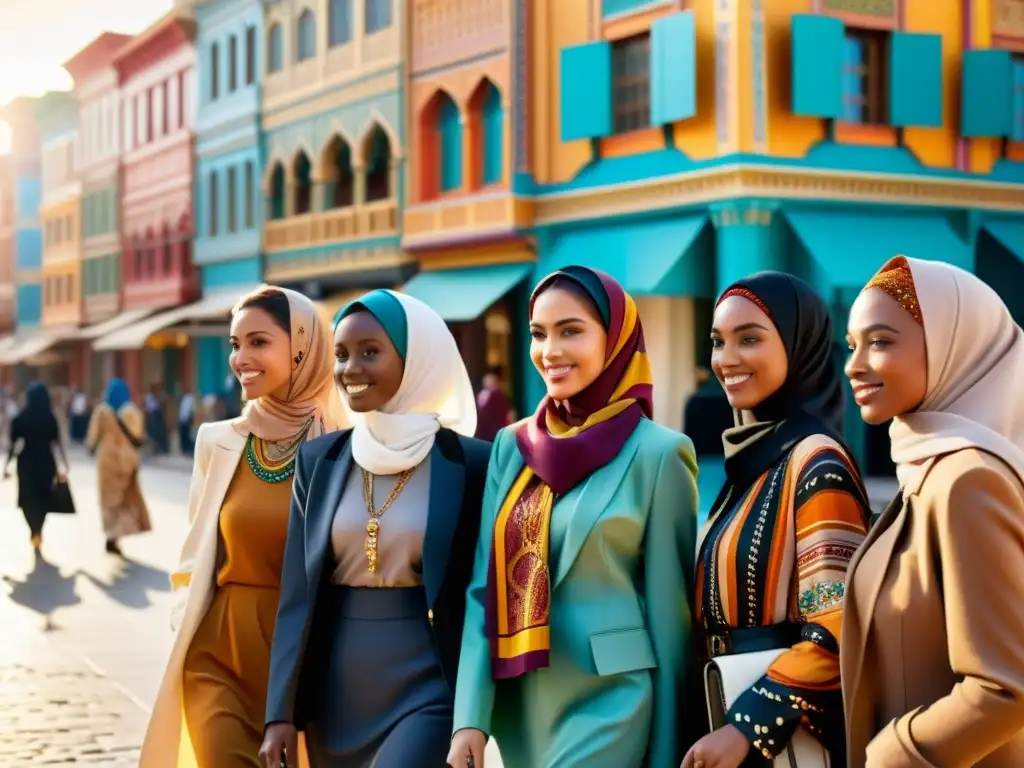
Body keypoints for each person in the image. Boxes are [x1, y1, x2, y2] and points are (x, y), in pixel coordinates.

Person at [448, 266, 698, 768]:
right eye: (539, 334)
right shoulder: (511, 446)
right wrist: (469, 718)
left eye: (571, 330)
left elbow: (672, 622)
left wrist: (670, 749)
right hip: (522, 706)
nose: (550, 351)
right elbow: (484, 587)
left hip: (612, 700)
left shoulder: (661, 454)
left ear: (617, 339)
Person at [260, 289, 488, 767]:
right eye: (341, 355)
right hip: (335, 688)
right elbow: (297, 594)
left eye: (370, 352)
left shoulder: (470, 463)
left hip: (429, 682)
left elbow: (481, 592)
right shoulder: (320, 459)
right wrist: (280, 711)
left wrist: (476, 715)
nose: (350, 369)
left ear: (416, 358)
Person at [139, 286, 346, 767]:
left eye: (258, 342)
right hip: (219, 658)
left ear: (300, 349)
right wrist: (182, 621)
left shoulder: (340, 447)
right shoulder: (218, 441)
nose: (240, 357)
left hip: (303, 663)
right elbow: (192, 558)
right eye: (235, 344)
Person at [842, 256, 1024, 766]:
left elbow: (1005, 687)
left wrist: (890, 757)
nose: (854, 364)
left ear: (952, 348)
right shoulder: (927, 470)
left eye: (879, 342)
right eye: (852, 345)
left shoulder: (969, 481)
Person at [683, 272, 870, 768]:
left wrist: (748, 727)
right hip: (722, 714)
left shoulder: (816, 462)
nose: (726, 359)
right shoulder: (755, 459)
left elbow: (838, 627)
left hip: (780, 738)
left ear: (799, 345)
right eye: (718, 342)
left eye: (749, 339)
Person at [85, 378, 151, 556]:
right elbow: (138, 434)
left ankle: (111, 534)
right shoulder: (131, 411)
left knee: (108, 500)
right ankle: (117, 535)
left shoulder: (102, 411)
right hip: (126, 459)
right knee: (124, 498)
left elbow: (93, 435)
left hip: (106, 460)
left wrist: (90, 447)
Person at [2, 382, 69, 554]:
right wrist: (64, 463)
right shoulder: (50, 417)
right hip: (47, 464)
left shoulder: (21, 417)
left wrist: (6, 466)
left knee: (27, 500)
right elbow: (57, 443)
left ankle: (34, 530)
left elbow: (13, 444)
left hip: (27, 465)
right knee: (43, 499)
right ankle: (38, 530)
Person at [474, 365, 513, 441]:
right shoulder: (482, 394)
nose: (487, 380)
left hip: (494, 433)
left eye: (490, 377)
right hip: (483, 432)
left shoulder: (498, 394)